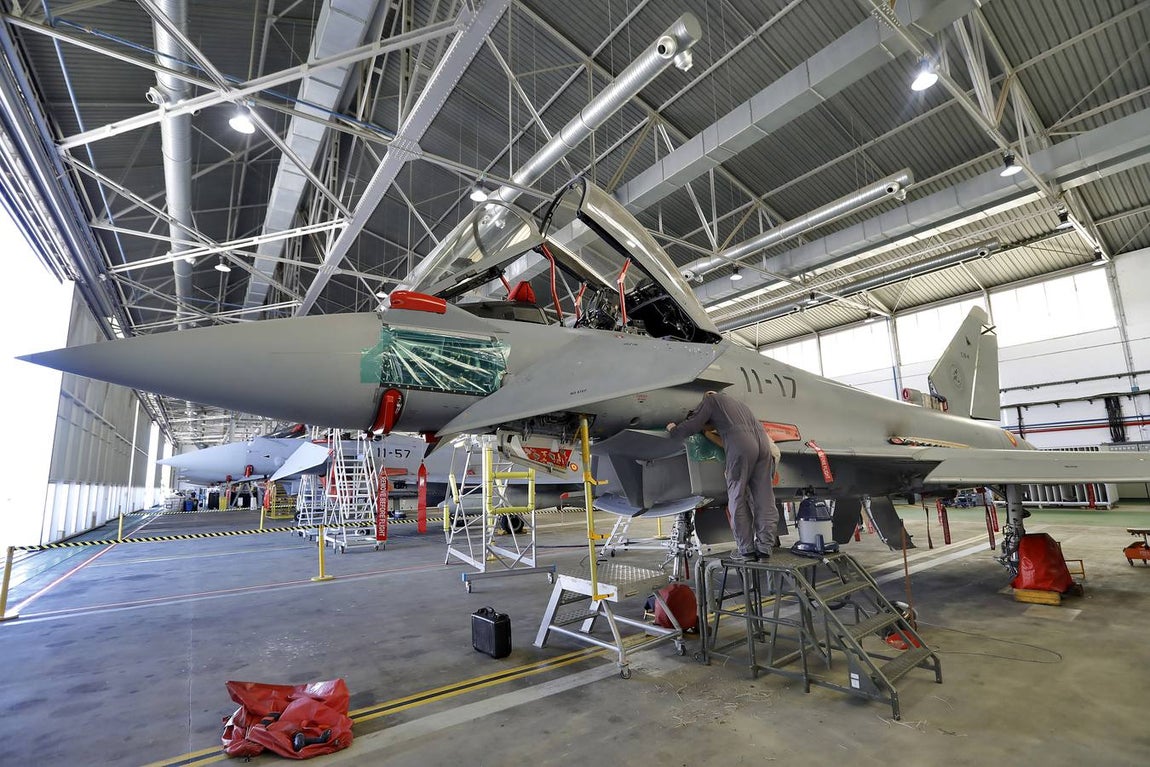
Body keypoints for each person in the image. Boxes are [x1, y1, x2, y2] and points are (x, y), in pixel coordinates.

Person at [666, 390, 779, 561]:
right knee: (764, 498)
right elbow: (734, 434)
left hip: (742, 445)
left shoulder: (711, 400)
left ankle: (746, 549)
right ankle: (764, 547)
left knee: (737, 496)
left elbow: (692, 426)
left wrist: (674, 429)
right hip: (764, 445)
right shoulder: (739, 405)